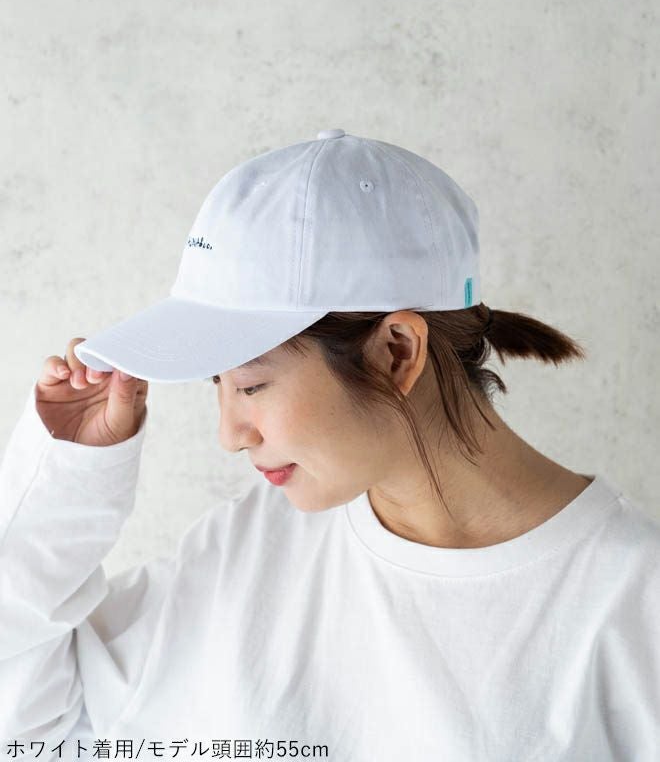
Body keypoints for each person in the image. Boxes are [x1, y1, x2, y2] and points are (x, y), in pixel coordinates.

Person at [1, 129, 659, 761]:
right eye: (216, 383)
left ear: (397, 352)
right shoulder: (247, 552)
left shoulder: (632, 606)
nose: (229, 435)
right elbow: (35, 732)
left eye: (251, 385)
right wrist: (66, 479)